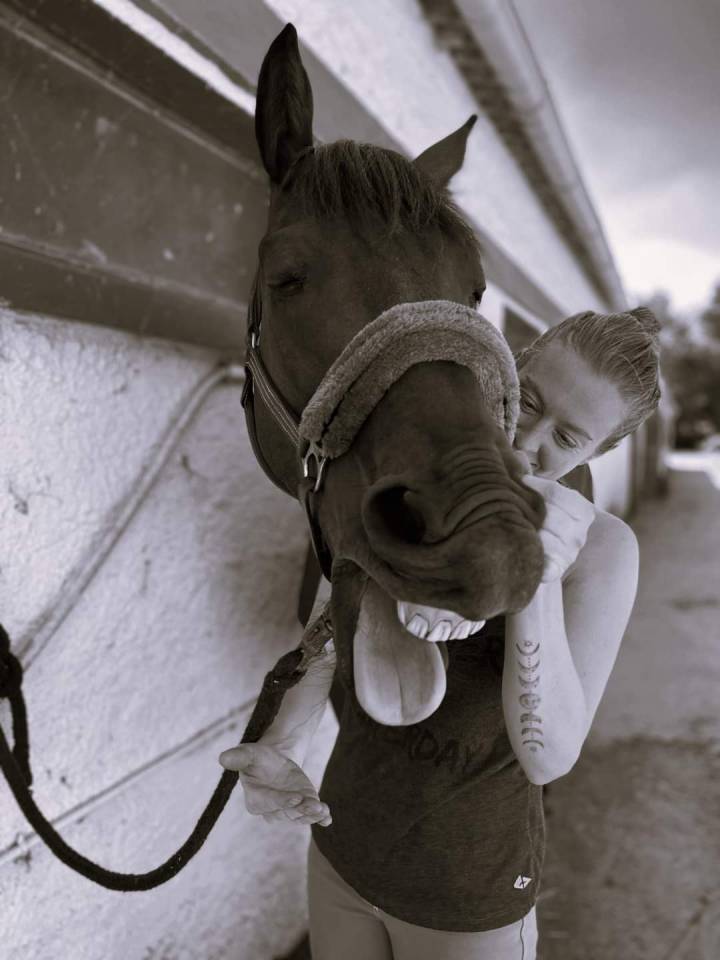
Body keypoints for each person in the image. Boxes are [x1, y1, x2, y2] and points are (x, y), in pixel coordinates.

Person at [219, 307, 661, 959]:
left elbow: (548, 756)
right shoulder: (418, 474)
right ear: (510, 369)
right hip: (343, 847)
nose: (526, 440)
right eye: (528, 400)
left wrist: (534, 574)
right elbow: (332, 615)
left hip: (467, 897)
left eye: (567, 438)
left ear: (601, 451)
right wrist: (281, 742)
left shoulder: (601, 550)